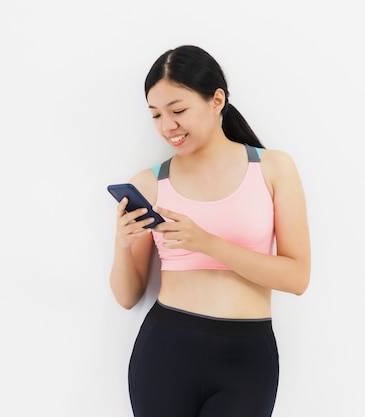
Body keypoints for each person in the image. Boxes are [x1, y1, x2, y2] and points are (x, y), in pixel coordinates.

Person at [109, 45, 310, 417]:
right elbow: (127, 296)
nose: (167, 126)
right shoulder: (150, 184)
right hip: (165, 351)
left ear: (217, 100)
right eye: (155, 115)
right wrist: (123, 243)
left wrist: (207, 243)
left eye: (179, 110)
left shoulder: (272, 168)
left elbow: (297, 277)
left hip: (246, 358)